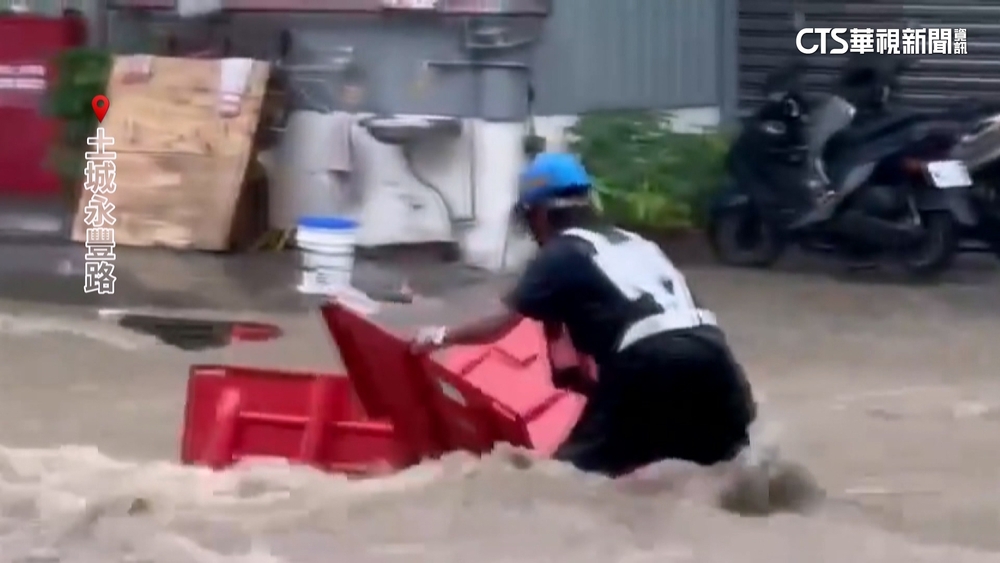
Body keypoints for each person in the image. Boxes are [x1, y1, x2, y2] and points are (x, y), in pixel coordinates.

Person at [410, 152, 758, 477]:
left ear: (540, 215)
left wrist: (439, 337)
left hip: (651, 361)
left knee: (565, 480)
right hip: (716, 357)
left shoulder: (561, 253)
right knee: (726, 470)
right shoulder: (637, 243)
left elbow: (501, 324)